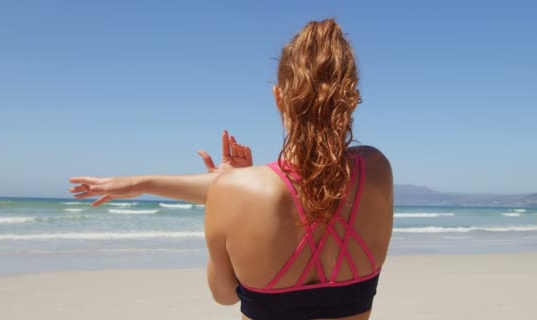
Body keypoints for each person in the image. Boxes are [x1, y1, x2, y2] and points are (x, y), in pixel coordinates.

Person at [69, 18, 393, 320]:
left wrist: (228, 191)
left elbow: (223, 295)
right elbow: (300, 184)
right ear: (350, 98)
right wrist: (143, 183)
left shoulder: (234, 191)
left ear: (279, 97)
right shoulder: (377, 171)